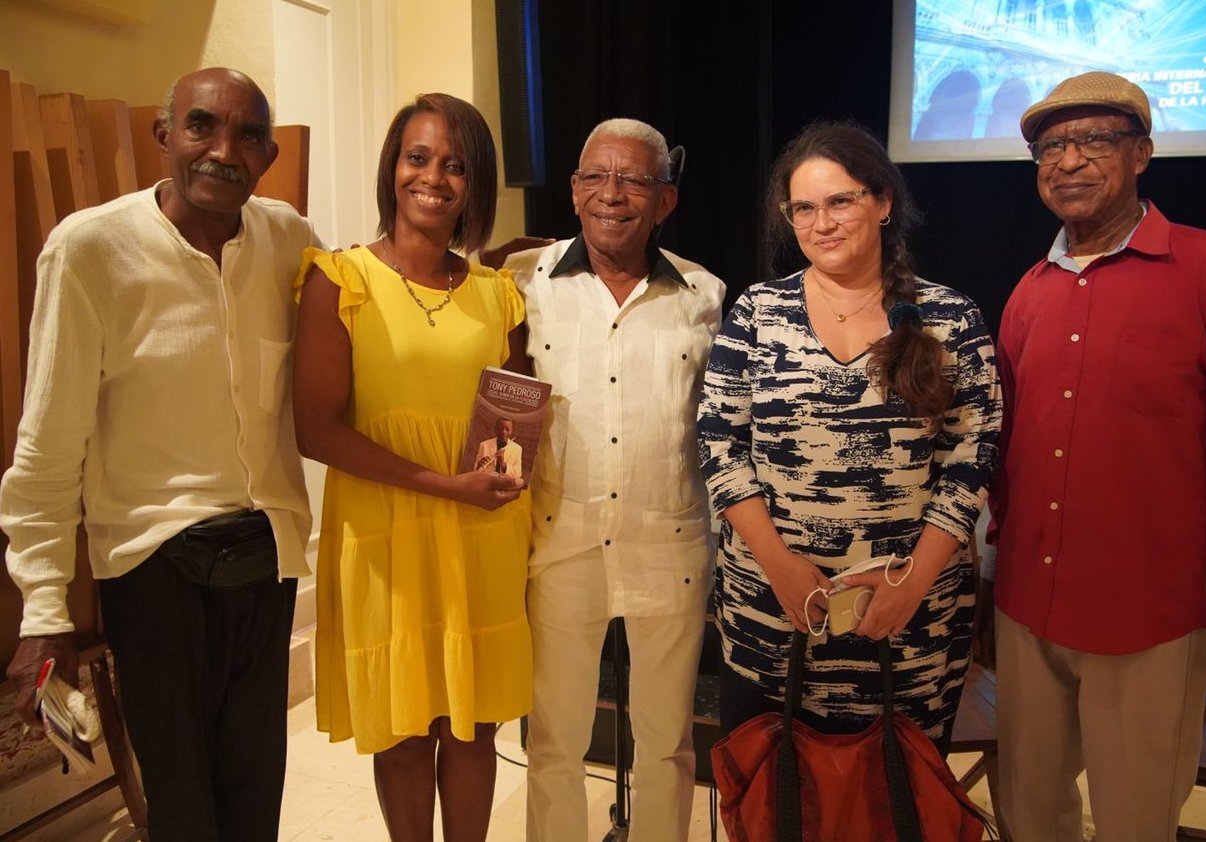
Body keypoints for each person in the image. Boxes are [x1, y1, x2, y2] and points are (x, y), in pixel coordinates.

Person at [1, 68, 315, 840]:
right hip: (152, 565)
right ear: (164, 136)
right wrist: (43, 608)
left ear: (268, 154)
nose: (222, 150)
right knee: (180, 804)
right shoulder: (90, 249)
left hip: (265, 557)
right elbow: (47, 441)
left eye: (247, 136)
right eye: (202, 126)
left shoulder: (290, 242)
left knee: (254, 793)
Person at [978, 70, 1206, 841]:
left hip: (1149, 616)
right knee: (1027, 813)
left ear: (1141, 153)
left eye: (1092, 140)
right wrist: (985, 571)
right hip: (1026, 605)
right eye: (1048, 147)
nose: (1066, 160)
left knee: (1135, 821)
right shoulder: (1028, 291)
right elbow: (1004, 452)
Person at [696, 122, 1000, 751]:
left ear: (883, 202)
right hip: (773, 617)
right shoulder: (757, 312)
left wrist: (911, 584)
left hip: (907, 624)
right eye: (803, 208)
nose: (822, 222)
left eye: (841, 201)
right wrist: (778, 567)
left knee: (893, 807)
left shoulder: (950, 319)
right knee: (775, 805)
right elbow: (719, 443)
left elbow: (971, 462)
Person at [292, 93, 530, 842]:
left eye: (455, 165)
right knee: (402, 731)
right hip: (383, 533)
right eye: (417, 157)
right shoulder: (341, 279)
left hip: (478, 538)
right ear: (392, 169)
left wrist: (502, 472)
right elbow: (315, 430)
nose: (433, 177)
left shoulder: (499, 294)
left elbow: (514, 422)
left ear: (476, 184)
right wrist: (444, 485)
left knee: (472, 728)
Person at [498, 118, 726, 842]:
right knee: (554, 741)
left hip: (670, 548)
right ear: (571, 191)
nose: (612, 194)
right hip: (560, 542)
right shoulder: (519, 281)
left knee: (666, 744)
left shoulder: (704, 294)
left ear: (665, 200)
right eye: (596, 176)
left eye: (633, 179)